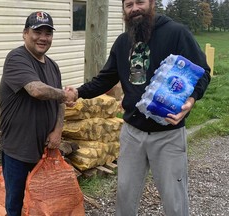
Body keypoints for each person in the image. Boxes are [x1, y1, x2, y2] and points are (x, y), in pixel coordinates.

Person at [66, 0, 211, 215]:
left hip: (167, 134)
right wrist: (78, 92)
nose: (134, 8)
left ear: (152, 3)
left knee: (174, 199)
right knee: (125, 195)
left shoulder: (176, 33)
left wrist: (190, 102)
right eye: (128, 5)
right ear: (124, 10)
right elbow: (105, 79)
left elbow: (202, 72)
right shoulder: (124, 41)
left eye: (140, 2)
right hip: (132, 133)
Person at [0, 11, 76, 216]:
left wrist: (58, 131)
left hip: (45, 147)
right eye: (37, 31)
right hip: (18, 148)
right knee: (15, 202)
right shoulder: (16, 58)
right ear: (25, 33)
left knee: (44, 199)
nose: (43, 38)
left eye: (48, 33)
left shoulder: (53, 66)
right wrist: (66, 94)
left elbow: (59, 101)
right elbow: (37, 90)